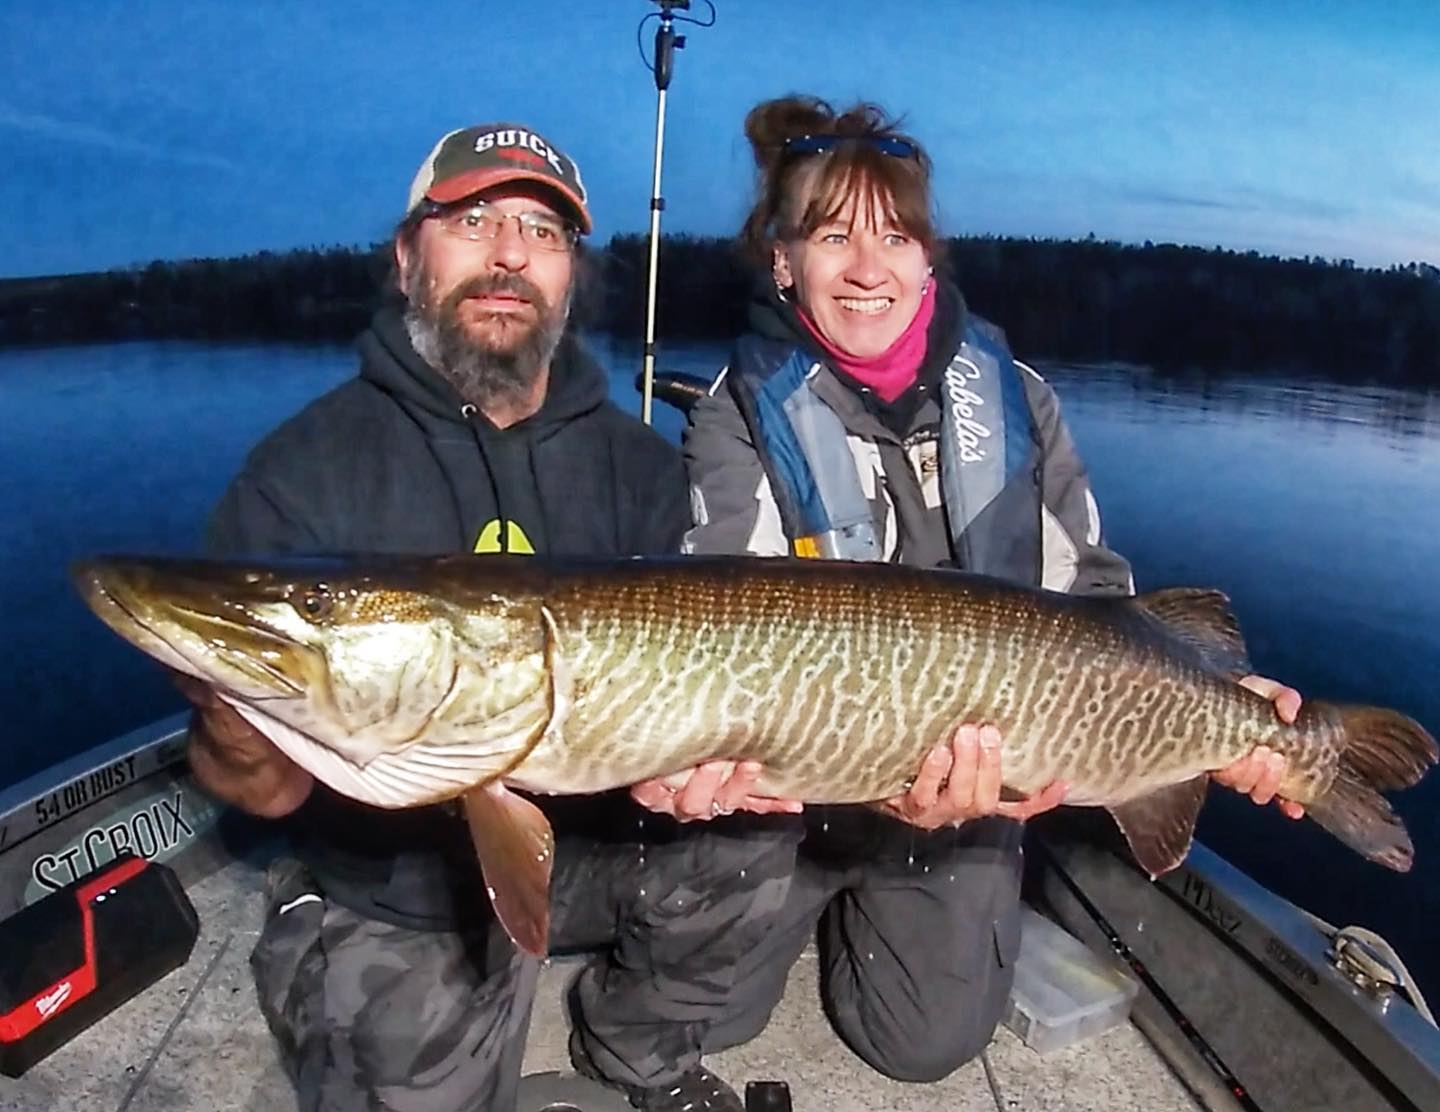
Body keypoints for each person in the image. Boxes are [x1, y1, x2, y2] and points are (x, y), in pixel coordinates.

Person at [677, 95, 1303, 1083]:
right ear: (784, 261)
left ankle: (879, 914)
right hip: (798, 791)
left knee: (923, 1044)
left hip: (969, 793)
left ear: (929, 259)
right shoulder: (735, 416)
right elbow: (722, 633)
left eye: (895, 237)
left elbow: (1095, 598)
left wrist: (1227, 704)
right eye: (833, 237)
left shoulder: (1019, 397)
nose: (869, 267)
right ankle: (806, 900)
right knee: (703, 1016)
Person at [181, 122, 796, 1112]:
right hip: (401, 881)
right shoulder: (303, 473)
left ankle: (636, 1048)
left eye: (542, 232)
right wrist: (227, 705)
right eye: (473, 221)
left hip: (601, 830)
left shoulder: (642, 467)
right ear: (406, 256)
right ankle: (316, 932)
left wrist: (697, 766)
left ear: (570, 277)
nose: (510, 252)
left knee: (754, 838)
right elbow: (263, 792)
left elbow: (703, 696)